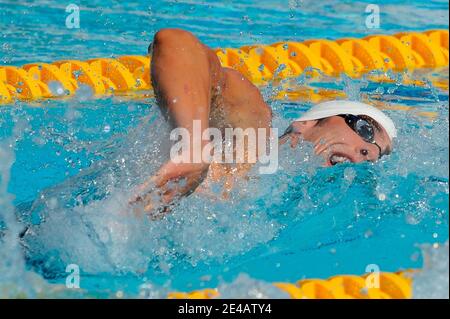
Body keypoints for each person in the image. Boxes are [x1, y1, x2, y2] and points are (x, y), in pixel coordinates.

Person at [129, 28, 396, 215]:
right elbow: (176, 42)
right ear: (308, 123)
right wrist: (193, 145)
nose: (370, 152)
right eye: (365, 129)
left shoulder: (284, 205)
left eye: (378, 155)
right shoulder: (254, 130)